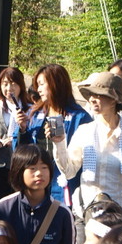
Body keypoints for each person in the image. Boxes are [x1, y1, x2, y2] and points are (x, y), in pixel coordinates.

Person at [52, 70, 122, 238]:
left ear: (114, 99)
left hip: (116, 218)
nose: (93, 99)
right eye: (91, 94)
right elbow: (69, 171)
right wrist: (59, 143)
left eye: (99, 95)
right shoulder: (85, 131)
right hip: (84, 213)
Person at [0, 145, 75, 244]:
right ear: (19, 171)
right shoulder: (4, 208)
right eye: (32, 168)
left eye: (44, 167)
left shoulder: (62, 213)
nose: (39, 173)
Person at [15, 63, 93, 205]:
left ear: (55, 83)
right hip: (36, 183)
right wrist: (22, 129)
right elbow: (21, 151)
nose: (38, 90)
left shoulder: (79, 117)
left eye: (41, 84)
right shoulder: (35, 113)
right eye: (37, 85)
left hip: (65, 186)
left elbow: (84, 159)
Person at [0, 66, 29, 203]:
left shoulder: (29, 109)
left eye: (13, 84)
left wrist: (21, 131)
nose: (9, 88)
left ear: (21, 85)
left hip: (20, 163)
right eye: (5, 84)